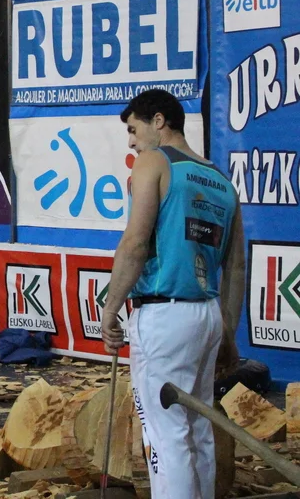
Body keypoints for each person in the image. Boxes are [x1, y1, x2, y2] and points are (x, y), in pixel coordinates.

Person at [102, 89, 245, 499]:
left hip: (165, 317)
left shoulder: (154, 162)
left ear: (159, 121)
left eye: (134, 130)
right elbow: (236, 266)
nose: (132, 142)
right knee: (198, 429)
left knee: (166, 435)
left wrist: (111, 307)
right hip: (207, 315)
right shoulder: (221, 180)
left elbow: (135, 243)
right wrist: (228, 331)